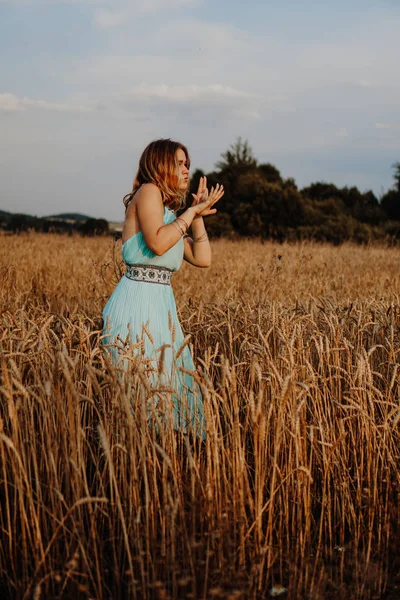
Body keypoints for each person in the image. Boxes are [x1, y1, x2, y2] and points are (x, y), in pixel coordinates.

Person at [102, 139, 224, 437]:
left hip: (162, 310)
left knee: (170, 392)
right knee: (140, 398)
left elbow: (202, 258)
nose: (186, 170)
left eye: (187, 165)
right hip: (135, 306)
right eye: (180, 163)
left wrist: (196, 217)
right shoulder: (148, 192)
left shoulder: (170, 214)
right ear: (161, 164)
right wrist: (191, 213)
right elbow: (157, 243)